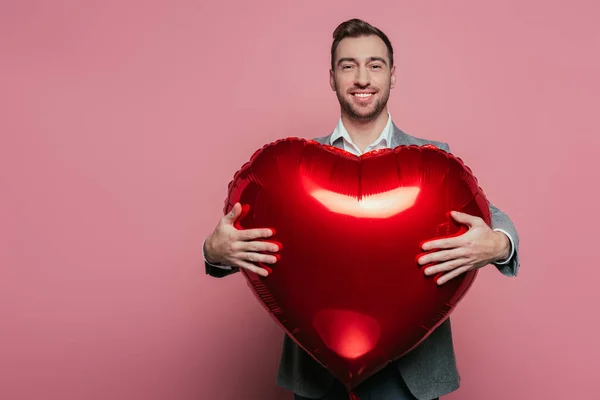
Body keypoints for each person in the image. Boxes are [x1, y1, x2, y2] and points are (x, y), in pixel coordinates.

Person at [203, 18, 520, 400]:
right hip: (316, 373)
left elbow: (493, 219)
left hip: (409, 379)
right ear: (332, 78)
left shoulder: (434, 161)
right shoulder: (291, 170)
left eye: (375, 65)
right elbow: (238, 232)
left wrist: (499, 245)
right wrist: (213, 251)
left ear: (392, 75)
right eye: (348, 65)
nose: (362, 78)